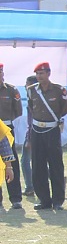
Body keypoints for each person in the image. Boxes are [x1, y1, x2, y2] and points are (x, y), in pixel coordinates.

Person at [27, 62, 67, 211]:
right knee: (38, 165)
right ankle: (44, 200)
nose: (39, 76)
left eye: (42, 73)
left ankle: (58, 200)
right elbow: (31, 108)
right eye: (37, 74)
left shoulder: (59, 90)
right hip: (37, 130)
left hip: (52, 130)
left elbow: (64, 109)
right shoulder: (31, 90)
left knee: (55, 164)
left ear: (49, 74)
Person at [0, 63, 23, 209]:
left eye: (1, 72)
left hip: (6, 128)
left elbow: (18, 111)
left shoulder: (11, 90)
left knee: (11, 161)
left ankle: (15, 198)